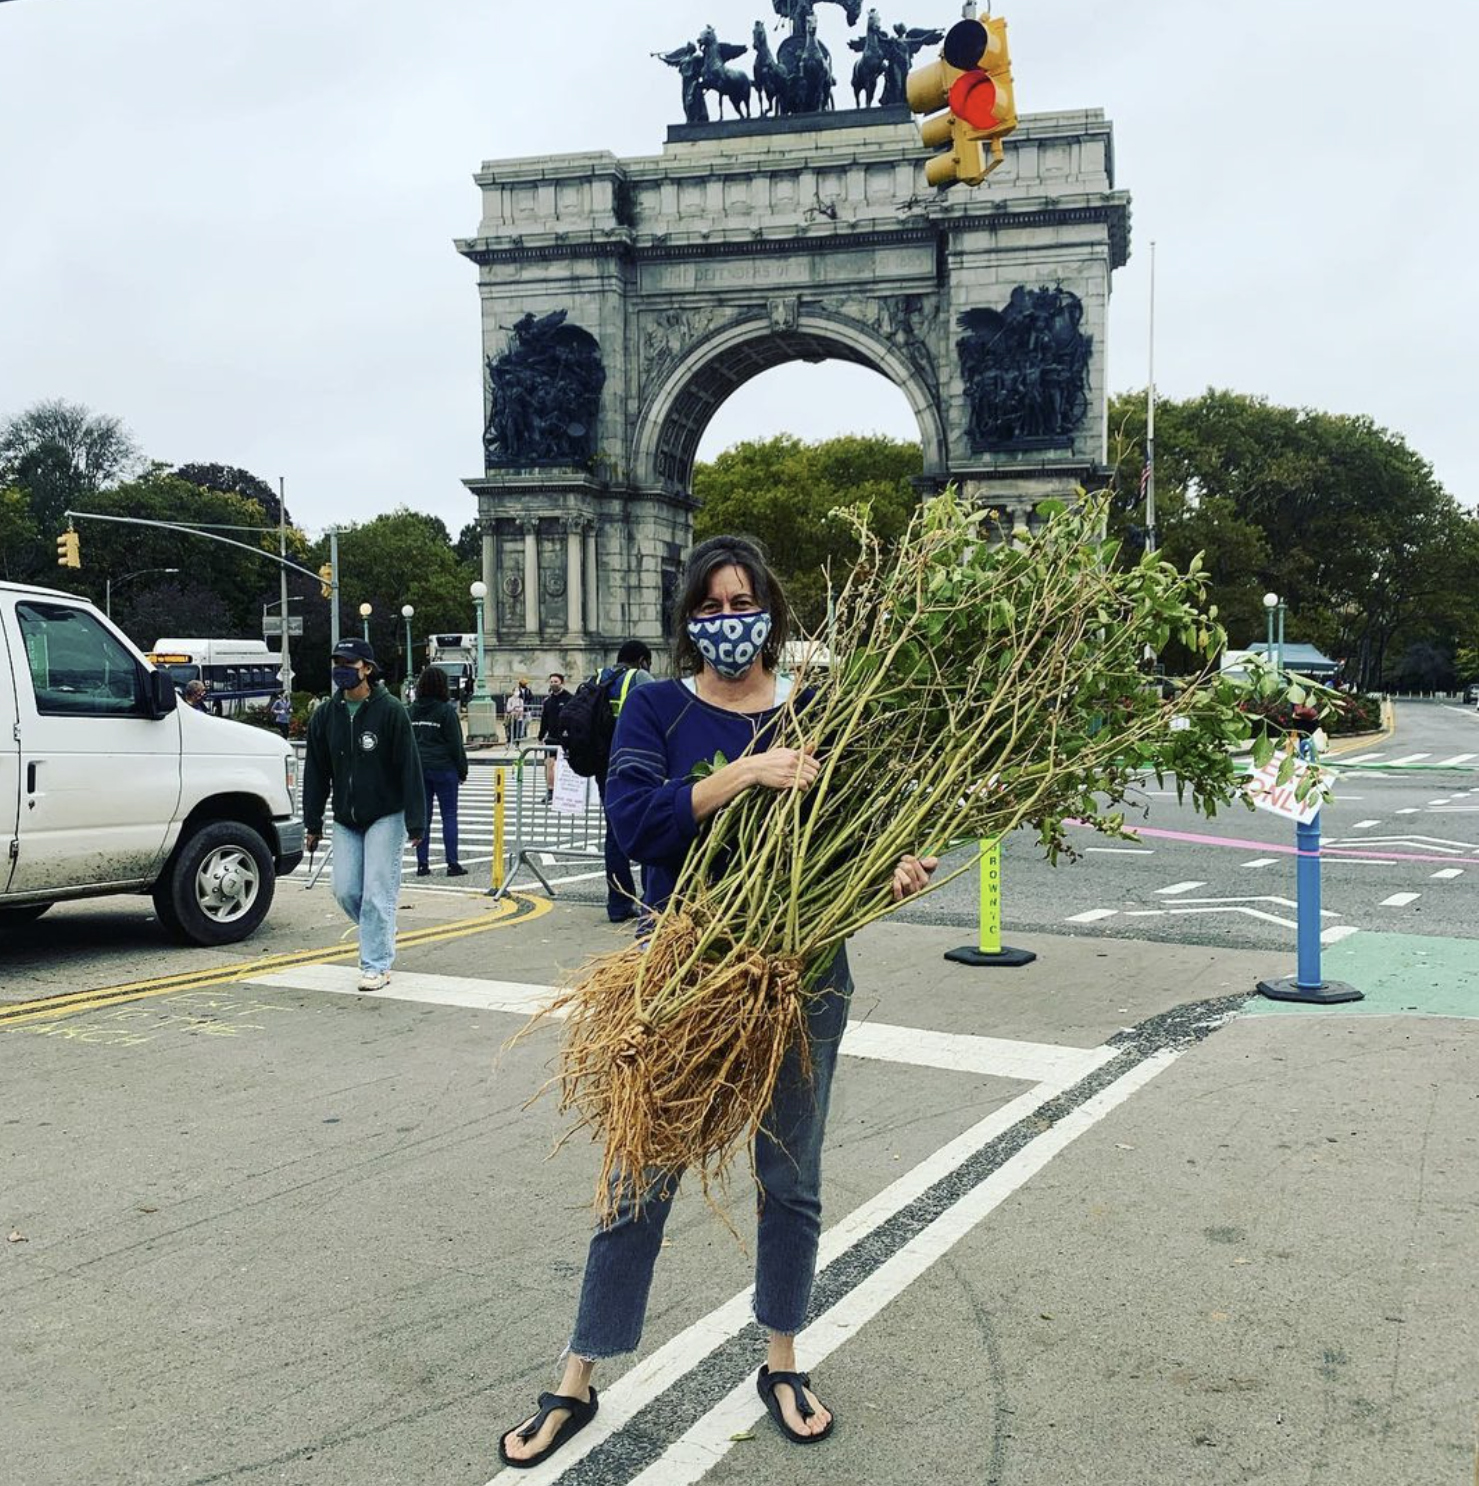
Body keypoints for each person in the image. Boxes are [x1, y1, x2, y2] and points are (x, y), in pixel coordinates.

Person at [498, 536, 937, 1468]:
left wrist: (888, 868)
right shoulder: (656, 706)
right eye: (708, 607)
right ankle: (577, 1378)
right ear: (687, 621)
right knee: (639, 1172)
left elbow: (852, 833)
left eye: (742, 604)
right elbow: (631, 824)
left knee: (791, 1179)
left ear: (770, 613)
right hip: (684, 972)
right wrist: (744, 771)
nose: (727, 622)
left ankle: (781, 1359)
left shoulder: (819, 711)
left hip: (803, 973)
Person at [302, 639, 425, 992]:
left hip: (386, 813)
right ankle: (381, 930)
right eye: (337, 661)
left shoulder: (391, 711)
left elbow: (409, 769)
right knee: (344, 890)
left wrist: (416, 821)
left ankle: (375, 964)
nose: (341, 668)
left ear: (367, 668)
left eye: (349, 663)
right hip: (346, 817)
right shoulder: (325, 714)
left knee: (376, 891)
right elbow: (316, 771)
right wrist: (313, 822)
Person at [594, 640, 654, 922]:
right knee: (648, 830)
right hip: (634, 765)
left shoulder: (598, 677)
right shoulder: (639, 678)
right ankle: (650, 900)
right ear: (642, 660)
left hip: (601, 765)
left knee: (614, 833)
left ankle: (618, 903)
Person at [408, 664, 469, 878]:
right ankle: (452, 863)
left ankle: (422, 864)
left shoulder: (411, 710)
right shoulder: (446, 711)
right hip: (444, 767)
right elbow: (455, 745)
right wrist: (462, 770)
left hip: (418, 768)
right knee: (449, 816)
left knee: (423, 818)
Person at [537, 672, 569, 804]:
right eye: (551, 682)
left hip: (566, 738)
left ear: (562, 682)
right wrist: (540, 736)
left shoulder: (569, 699)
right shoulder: (548, 701)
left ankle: (567, 791)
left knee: (567, 766)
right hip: (551, 738)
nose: (553, 684)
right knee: (549, 764)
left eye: (556, 681)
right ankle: (550, 791)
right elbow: (544, 720)